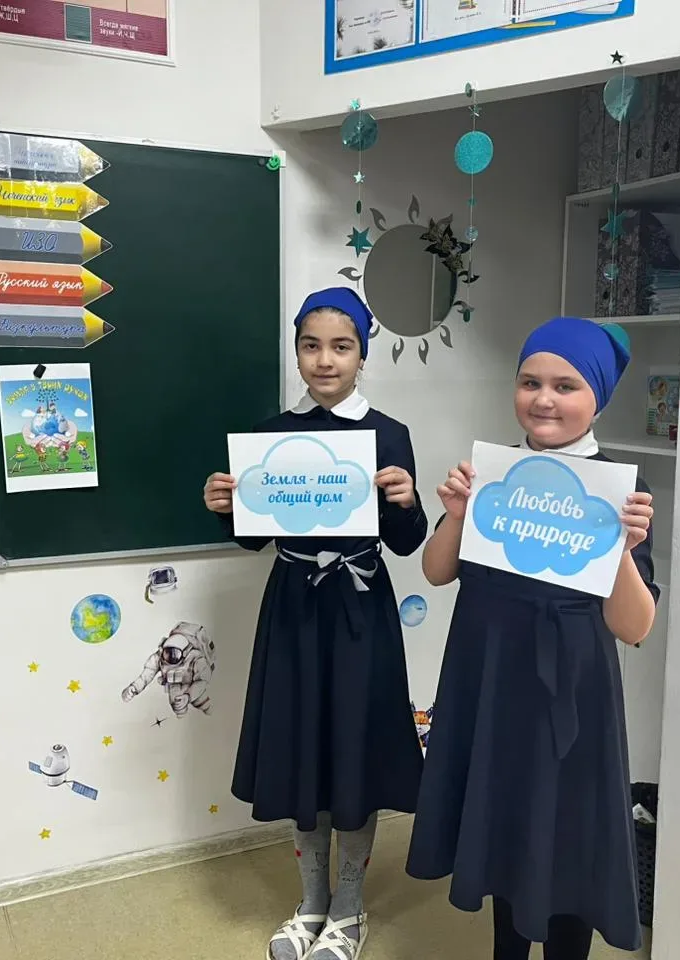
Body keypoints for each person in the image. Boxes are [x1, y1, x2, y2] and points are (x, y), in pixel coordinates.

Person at [406, 316, 658, 960]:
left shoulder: (619, 491)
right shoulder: (493, 476)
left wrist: (621, 550)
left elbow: (634, 626)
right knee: (504, 830)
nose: (544, 399)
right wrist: (455, 516)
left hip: (571, 692)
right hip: (491, 679)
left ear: (597, 397)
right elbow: (436, 572)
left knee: (565, 839)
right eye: (530, 382)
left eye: (565, 386)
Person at [202, 287, 427, 960]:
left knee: (353, 752)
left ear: (362, 354)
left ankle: (349, 908)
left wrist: (408, 502)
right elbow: (254, 539)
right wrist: (225, 507)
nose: (325, 360)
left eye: (341, 346)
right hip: (295, 608)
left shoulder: (389, 433)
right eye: (311, 345)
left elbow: (407, 542)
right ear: (297, 350)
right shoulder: (270, 432)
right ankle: (311, 903)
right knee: (302, 749)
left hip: (359, 607)